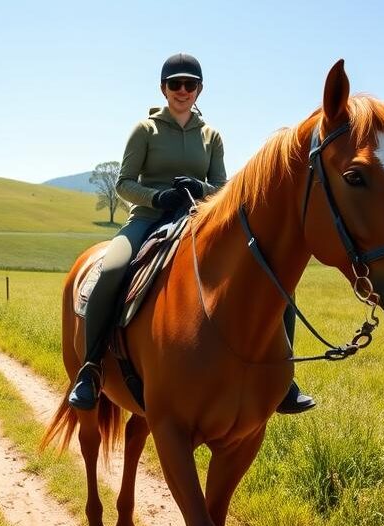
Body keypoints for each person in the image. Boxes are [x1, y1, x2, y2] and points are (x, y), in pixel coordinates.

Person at [69, 53, 314, 414]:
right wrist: (157, 197)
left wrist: (201, 189)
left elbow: (223, 188)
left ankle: (282, 378)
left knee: (275, 278)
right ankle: (90, 370)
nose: (182, 90)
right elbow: (123, 184)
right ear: (163, 88)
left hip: (199, 220)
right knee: (112, 269)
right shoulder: (145, 130)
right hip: (148, 220)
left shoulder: (211, 136)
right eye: (175, 84)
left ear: (200, 89)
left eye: (190, 84)